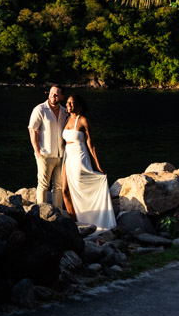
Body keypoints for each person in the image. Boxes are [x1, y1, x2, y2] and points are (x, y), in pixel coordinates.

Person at [61, 93, 116, 231]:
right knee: (65, 190)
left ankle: (95, 218)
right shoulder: (66, 119)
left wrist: (97, 164)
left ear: (77, 105)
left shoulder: (83, 120)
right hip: (67, 155)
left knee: (80, 188)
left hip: (79, 155)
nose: (68, 105)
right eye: (67, 102)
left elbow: (91, 144)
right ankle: (75, 224)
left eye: (71, 103)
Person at [28, 83, 67, 208]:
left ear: (61, 97)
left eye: (56, 94)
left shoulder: (64, 111)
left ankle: (58, 213)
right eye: (51, 94)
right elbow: (32, 129)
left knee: (59, 187)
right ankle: (41, 213)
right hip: (45, 154)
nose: (53, 96)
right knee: (43, 185)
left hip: (61, 155)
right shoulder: (40, 109)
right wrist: (37, 152)